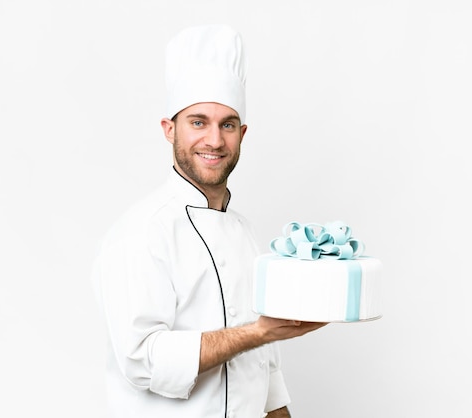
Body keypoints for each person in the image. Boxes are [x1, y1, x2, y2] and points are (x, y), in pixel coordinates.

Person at [91, 24, 326, 418]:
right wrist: (258, 332)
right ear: (170, 130)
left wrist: (263, 339)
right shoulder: (141, 233)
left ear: (242, 133)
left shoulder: (245, 233)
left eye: (227, 124)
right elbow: (142, 358)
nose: (214, 141)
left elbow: (265, 371)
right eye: (198, 122)